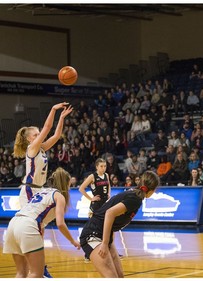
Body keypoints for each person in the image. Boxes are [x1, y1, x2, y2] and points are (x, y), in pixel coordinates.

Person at [12, 102, 72, 278]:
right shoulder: (32, 148)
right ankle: (33, 266)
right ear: (30, 139)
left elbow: (56, 134)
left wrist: (61, 118)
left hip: (39, 190)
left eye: (39, 134)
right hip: (29, 191)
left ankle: (39, 266)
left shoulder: (43, 149)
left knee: (41, 229)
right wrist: (53, 109)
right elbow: (47, 127)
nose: (40, 136)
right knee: (33, 229)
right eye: (37, 135)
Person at [79, 171, 160, 277]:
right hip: (92, 233)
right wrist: (104, 243)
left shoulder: (134, 195)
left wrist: (109, 243)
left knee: (120, 276)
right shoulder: (135, 199)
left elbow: (112, 220)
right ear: (151, 190)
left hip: (102, 234)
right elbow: (109, 213)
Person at [3, 168, 81, 277]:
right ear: (64, 184)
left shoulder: (42, 191)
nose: (69, 188)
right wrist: (73, 241)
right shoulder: (59, 196)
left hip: (14, 223)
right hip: (28, 225)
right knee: (36, 274)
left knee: (21, 273)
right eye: (69, 185)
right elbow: (60, 223)